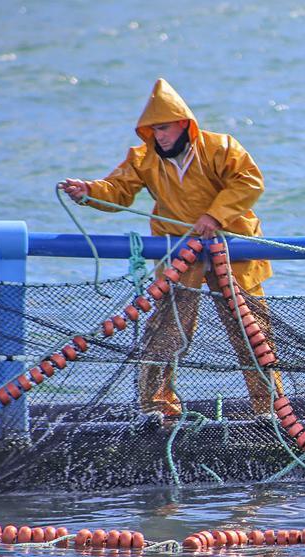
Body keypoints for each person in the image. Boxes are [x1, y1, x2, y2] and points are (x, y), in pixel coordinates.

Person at [59, 78, 275, 421]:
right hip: (180, 255)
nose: (159, 136)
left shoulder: (222, 148)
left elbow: (249, 182)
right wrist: (88, 190)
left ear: (184, 125)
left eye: (164, 128)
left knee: (253, 335)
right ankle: (157, 409)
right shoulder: (143, 159)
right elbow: (117, 190)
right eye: (153, 130)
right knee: (165, 333)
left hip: (231, 251)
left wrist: (214, 215)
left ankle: (268, 410)